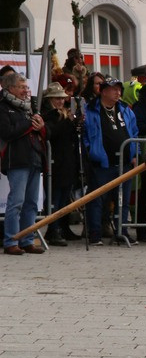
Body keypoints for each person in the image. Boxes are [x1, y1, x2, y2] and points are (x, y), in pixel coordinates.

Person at [82, 78, 139, 246]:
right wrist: (91, 151)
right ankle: (95, 234)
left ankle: (122, 233)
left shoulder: (125, 110)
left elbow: (134, 133)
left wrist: (135, 153)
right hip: (102, 164)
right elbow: (85, 134)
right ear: (104, 91)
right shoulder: (90, 110)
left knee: (123, 200)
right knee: (97, 200)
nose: (118, 93)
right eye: (114, 89)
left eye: (119, 89)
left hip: (124, 163)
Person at [0, 73, 47, 255]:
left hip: (34, 158)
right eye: (21, 86)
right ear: (10, 88)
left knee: (32, 203)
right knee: (16, 202)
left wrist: (42, 127)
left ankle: (27, 239)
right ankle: (11, 241)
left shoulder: (29, 107)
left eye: (26, 86)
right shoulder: (3, 108)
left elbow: (44, 132)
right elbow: (7, 133)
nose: (25, 90)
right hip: (17, 160)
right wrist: (29, 123)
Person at [42, 82, 80, 247]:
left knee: (65, 197)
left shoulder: (64, 114)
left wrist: (75, 124)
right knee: (55, 198)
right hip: (55, 161)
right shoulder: (48, 115)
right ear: (50, 99)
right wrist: (67, 121)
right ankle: (53, 229)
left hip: (67, 160)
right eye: (57, 98)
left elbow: (70, 136)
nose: (60, 101)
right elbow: (51, 133)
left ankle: (63, 227)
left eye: (62, 98)